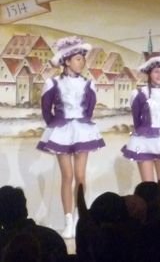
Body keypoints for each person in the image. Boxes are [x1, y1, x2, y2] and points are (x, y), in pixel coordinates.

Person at [36, 36, 105, 238]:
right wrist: (57, 126)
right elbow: (46, 110)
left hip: (82, 129)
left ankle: (78, 218)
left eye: (83, 59)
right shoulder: (53, 83)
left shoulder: (88, 84)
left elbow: (89, 109)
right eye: (77, 59)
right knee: (67, 176)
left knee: (80, 176)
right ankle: (68, 220)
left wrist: (80, 123)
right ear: (66, 61)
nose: (81, 63)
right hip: (62, 130)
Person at [121, 47, 160, 199]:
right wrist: (144, 133)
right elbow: (137, 119)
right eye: (156, 71)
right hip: (144, 141)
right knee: (147, 188)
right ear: (149, 73)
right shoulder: (139, 94)